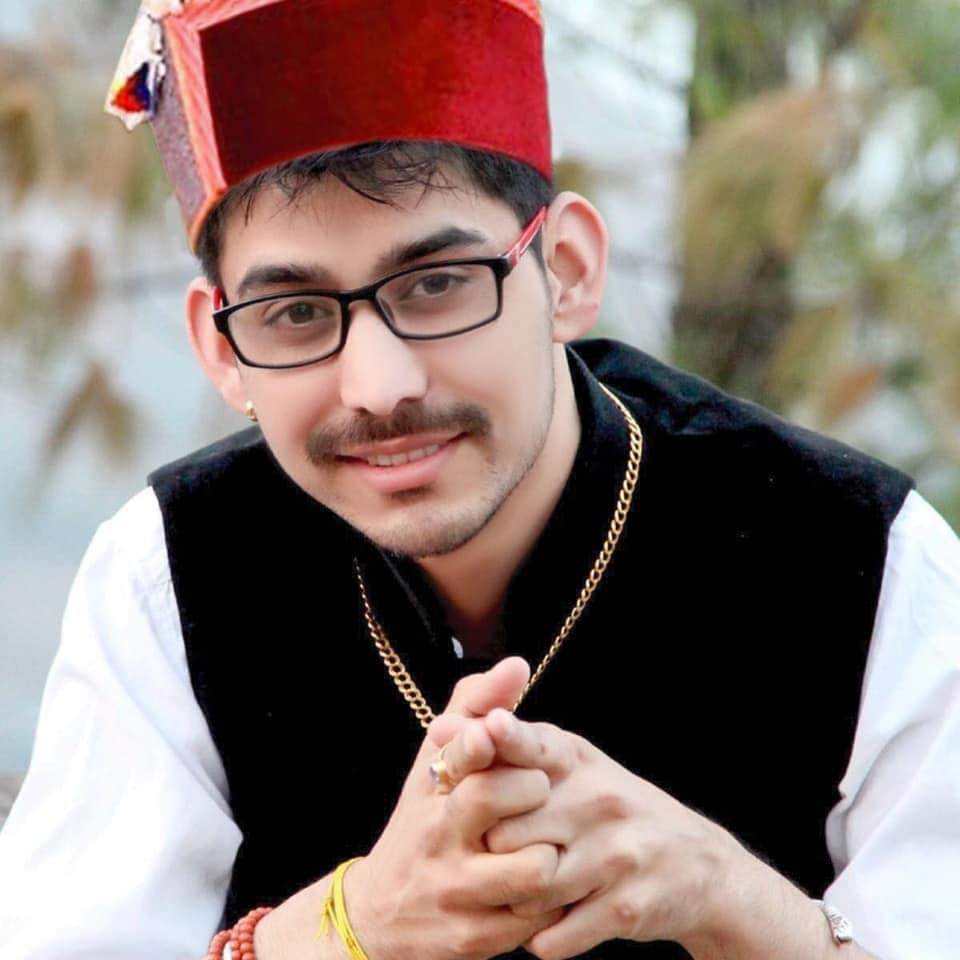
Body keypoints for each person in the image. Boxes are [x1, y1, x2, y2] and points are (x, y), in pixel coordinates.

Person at [1, 1, 958, 958]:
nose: (379, 387)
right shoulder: (170, 574)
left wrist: (731, 899)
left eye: (436, 285)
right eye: (295, 313)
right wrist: (355, 924)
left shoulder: (860, 554)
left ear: (567, 272)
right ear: (222, 350)